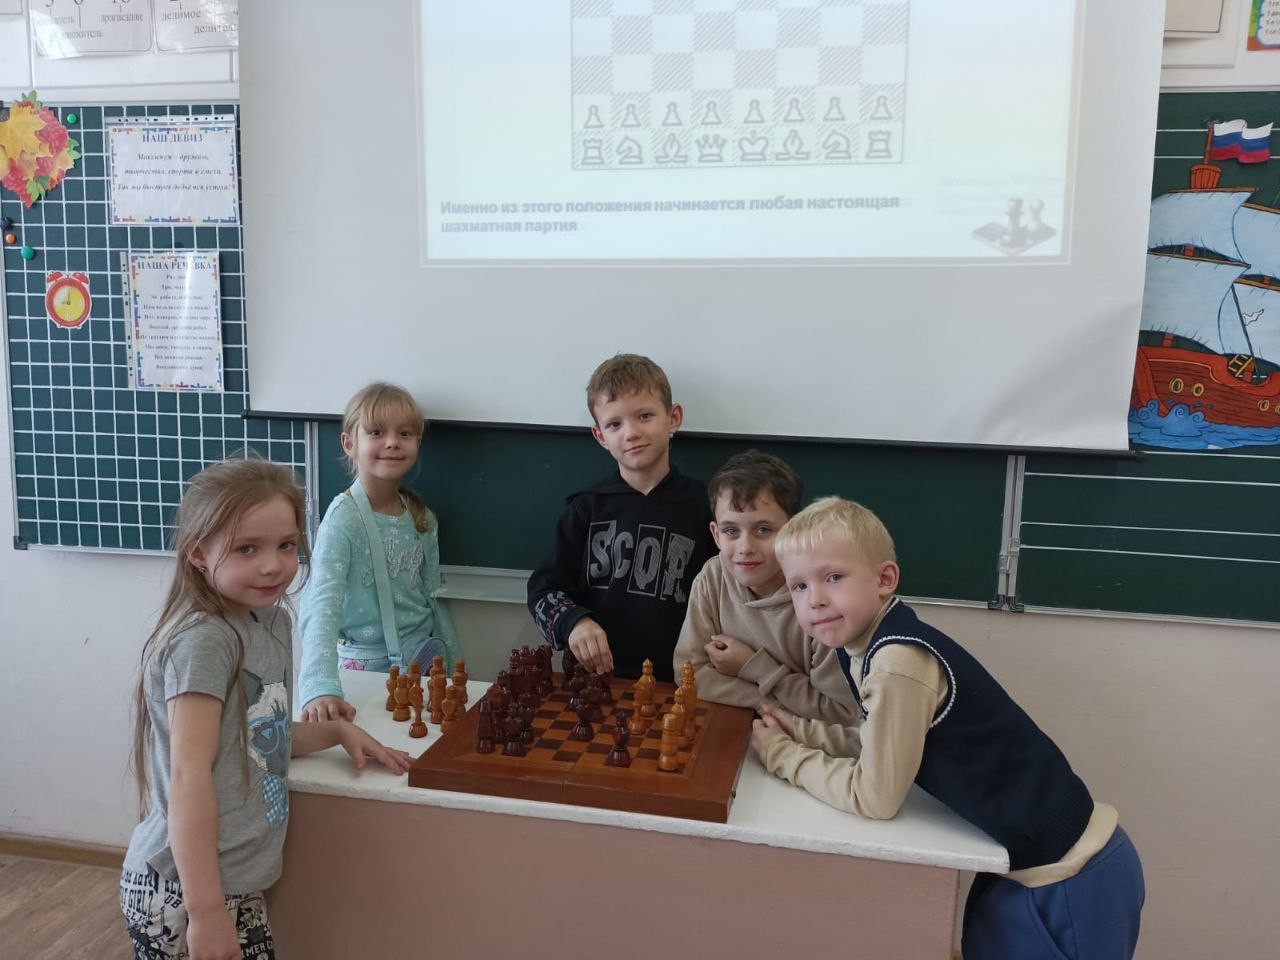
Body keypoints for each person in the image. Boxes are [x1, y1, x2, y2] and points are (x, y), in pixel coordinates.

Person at [753, 497, 1145, 960]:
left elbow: (873, 797)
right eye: (798, 586)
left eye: (833, 577)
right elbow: (880, 744)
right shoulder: (863, 645)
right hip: (1022, 870)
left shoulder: (895, 661)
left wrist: (783, 756)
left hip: (1073, 877)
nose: (814, 599)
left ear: (884, 580)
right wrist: (802, 731)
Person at [122, 457, 410, 960]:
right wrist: (206, 913)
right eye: (246, 549)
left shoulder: (272, 622)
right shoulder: (205, 642)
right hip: (183, 892)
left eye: (286, 545)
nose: (273, 565)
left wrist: (337, 733)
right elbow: (189, 776)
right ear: (198, 553)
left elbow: (258, 735)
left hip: (233, 885)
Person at [527, 354, 714, 682]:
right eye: (614, 424)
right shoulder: (585, 508)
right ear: (600, 436)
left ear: (673, 418)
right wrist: (574, 622)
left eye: (644, 416)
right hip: (599, 679)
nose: (631, 433)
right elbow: (543, 589)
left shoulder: (707, 506)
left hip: (685, 680)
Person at [298, 383, 460, 721]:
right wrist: (320, 686)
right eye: (376, 432)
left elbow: (433, 598)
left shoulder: (422, 518)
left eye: (405, 433)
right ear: (349, 443)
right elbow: (321, 604)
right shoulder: (343, 518)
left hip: (422, 661)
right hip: (364, 672)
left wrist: (455, 664)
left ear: (417, 442)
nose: (392, 442)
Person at [672, 451, 859, 723]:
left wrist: (755, 668)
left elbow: (837, 713)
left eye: (763, 530)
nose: (745, 548)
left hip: (805, 740)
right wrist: (769, 702)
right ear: (716, 534)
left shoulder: (821, 599)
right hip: (733, 727)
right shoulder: (713, 576)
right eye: (731, 531)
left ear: (793, 530)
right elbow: (689, 675)